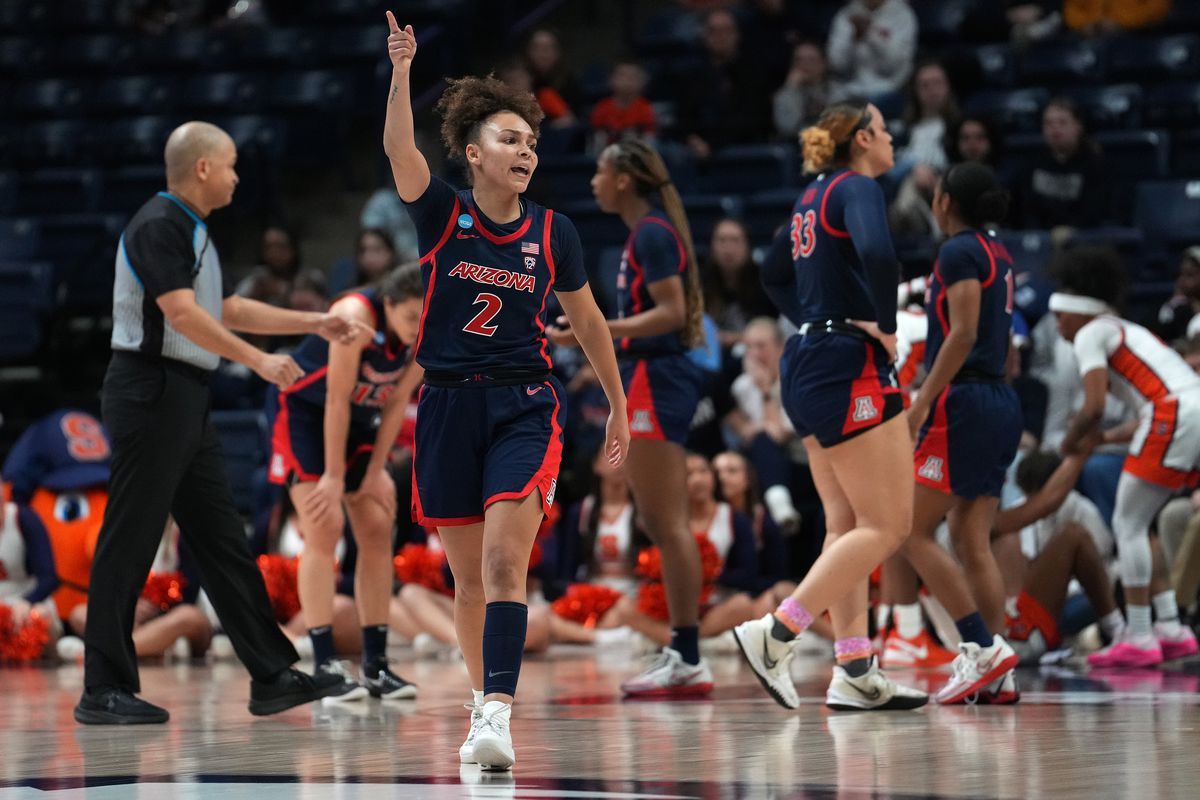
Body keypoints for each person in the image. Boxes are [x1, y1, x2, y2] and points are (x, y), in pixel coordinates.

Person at [383, 14, 629, 770]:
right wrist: (400, 71)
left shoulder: (555, 234)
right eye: (509, 138)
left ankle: (497, 711)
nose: (525, 148)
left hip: (524, 404)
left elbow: (587, 324)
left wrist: (618, 404)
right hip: (448, 406)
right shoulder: (442, 214)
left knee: (500, 565)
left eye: (531, 140)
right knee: (463, 581)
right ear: (472, 154)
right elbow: (398, 150)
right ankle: (480, 702)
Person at [75, 121, 364, 725]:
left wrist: (313, 324)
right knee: (131, 538)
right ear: (203, 168)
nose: (238, 175)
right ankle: (102, 686)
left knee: (223, 541)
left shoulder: (193, 229)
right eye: (230, 164)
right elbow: (181, 314)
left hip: (183, 396)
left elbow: (226, 308)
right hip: (150, 388)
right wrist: (257, 359)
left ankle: (271, 674)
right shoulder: (158, 224)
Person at [733, 103, 927, 712]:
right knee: (888, 525)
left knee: (845, 526)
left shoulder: (807, 198)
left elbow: (771, 273)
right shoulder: (857, 186)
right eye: (886, 128)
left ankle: (855, 668)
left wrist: (815, 318)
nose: (893, 137)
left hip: (807, 357)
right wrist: (886, 326)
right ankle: (777, 633)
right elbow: (879, 253)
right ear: (863, 139)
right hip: (847, 360)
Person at [549, 137, 710, 698]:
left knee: (668, 525)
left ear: (624, 178)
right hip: (650, 376)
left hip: (659, 381)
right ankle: (684, 652)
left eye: (600, 170)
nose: (593, 179)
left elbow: (671, 313)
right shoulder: (648, 233)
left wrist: (596, 330)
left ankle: (688, 656)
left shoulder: (652, 233)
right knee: (664, 524)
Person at [265, 264, 426, 702]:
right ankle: (323, 665)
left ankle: (376, 665)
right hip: (304, 415)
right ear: (388, 305)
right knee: (324, 526)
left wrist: (376, 473)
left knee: (376, 526)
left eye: (424, 316)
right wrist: (334, 478)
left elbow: (395, 404)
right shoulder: (354, 315)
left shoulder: (428, 329)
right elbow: (335, 400)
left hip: (359, 424)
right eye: (411, 316)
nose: (418, 327)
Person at [1051, 246, 1200, 667]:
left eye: (1060, 316)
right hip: (1186, 410)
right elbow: (1147, 408)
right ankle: (1170, 626)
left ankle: (1139, 635)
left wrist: (1072, 439)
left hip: (1174, 414)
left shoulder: (1090, 333)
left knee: (1126, 522)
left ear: (1078, 312)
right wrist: (1104, 439)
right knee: (1144, 522)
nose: (1057, 324)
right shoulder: (1124, 329)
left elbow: (1093, 405)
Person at [1018, 98, 1109, 232]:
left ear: (1078, 126)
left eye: (1062, 122)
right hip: (1040, 239)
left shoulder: (1096, 164)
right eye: (1048, 123)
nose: (1055, 128)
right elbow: (1024, 209)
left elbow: (1096, 211)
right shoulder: (1032, 163)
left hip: (1083, 240)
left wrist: (1072, 230)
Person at [826, 0, 918, 103]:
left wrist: (870, 34)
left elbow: (895, 64)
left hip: (889, 88)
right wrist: (854, 40)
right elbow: (836, 63)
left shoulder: (902, 14)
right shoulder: (847, 14)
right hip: (848, 90)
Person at [589, 58, 657, 151]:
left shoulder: (645, 108)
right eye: (622, 76)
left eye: (632, 77)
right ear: (611, 79)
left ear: (642, 81)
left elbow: (649, 139)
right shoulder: (602, 108)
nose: (627, 82)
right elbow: (597, 140)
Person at [772, 41, 831, 141]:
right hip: (796, 146)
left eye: (811, 60)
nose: (805, 65)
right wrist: (791, 89)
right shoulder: (786, 93)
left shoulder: (838, 91)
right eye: (799, 60)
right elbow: (787, 127)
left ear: (823, 64)